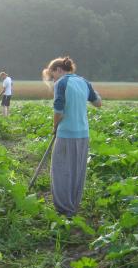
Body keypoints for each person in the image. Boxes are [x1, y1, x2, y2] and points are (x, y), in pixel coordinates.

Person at [42, 56, 102, 218]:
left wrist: (54, 127)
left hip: (66, 133)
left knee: (61, 170)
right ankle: (73, 207)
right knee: (77, 170)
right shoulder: (84, 82)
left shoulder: (61, 83)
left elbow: (58, 111)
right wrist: (89, 92)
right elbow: (98, 103)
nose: (53, 78)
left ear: (58, 70)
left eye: (52, 74)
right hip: (83, 134)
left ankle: (63, 209)